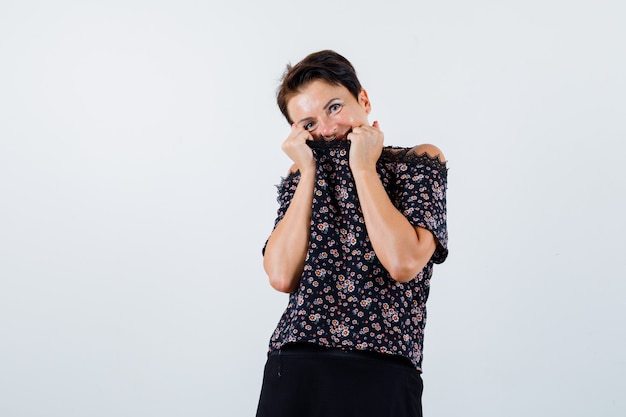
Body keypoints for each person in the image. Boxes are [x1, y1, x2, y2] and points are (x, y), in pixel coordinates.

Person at [255, 50, 448, 417]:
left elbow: (403, 262)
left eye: (334, 107)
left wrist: (363, 168)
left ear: (363, 98)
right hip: (296, 367)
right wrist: (307, 172)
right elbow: (280, 276)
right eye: (308, 123)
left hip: (383, 371)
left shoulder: (417, 162)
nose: (327, 129)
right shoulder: (302, 179)